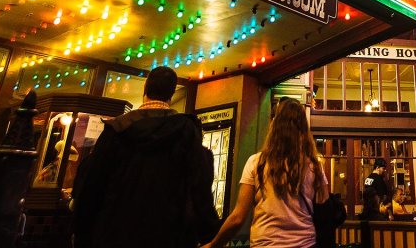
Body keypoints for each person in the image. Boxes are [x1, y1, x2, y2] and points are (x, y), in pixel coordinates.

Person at [71, 66, 219, 248]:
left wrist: (81, 231)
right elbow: (200, 186)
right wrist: (209, 233)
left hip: (116, 231)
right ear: (171, 94)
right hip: (169, 233)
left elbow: (93, 184)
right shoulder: (186, 131)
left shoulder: (117, 129)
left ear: (145, 89)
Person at [203, 98, 329, 248]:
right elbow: (324, 205)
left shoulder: (256, 163)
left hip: (265, 243)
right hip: (305, 243)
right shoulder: (314, 166)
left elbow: (238, 218)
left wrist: (213, 244)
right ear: (303, 128)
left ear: (274, 125)